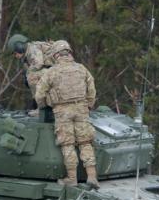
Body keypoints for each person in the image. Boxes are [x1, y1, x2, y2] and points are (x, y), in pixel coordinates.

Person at [34, 40, 99, 189]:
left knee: (68, 144)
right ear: (69, 53)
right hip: (82, 108)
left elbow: (39, 94)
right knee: (85, 142)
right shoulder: (82, 69)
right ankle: (92, 177)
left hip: (62, 111)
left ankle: (72, 178)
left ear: (56, 55)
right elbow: (92, 89)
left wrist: (44, 105)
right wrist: (88, 104)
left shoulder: (52, 72)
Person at [7, 34, 53, 107]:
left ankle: (40, 106)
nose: (15, 56)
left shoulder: (32, 48)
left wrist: (28, 73)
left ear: (19, 47)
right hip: (50, 70)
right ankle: (37, 103)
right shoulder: (26, 56)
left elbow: (38, 64)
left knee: (32, 76)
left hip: (55, 70)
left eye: (15, 53)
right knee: (31, 76)